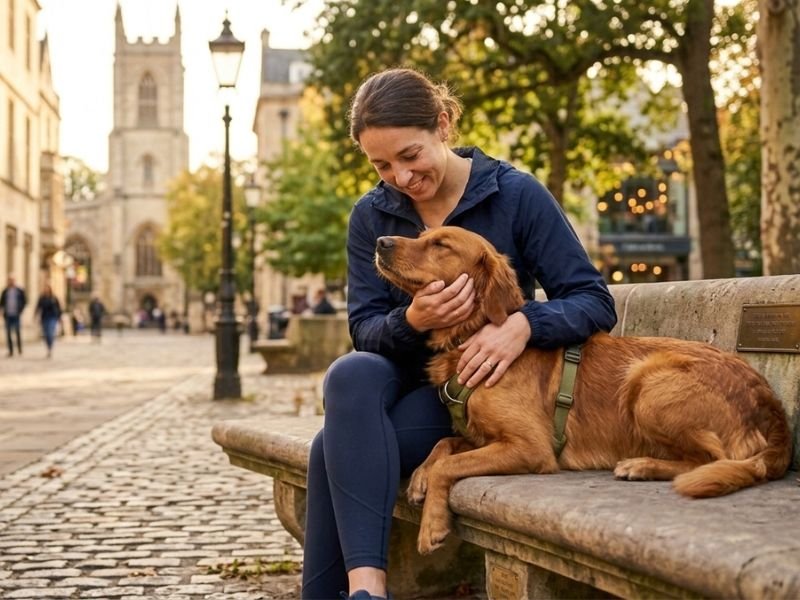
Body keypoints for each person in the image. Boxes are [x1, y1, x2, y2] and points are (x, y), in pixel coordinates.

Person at [300, 68, 618, 600]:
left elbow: (592, 300)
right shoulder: (370, 216)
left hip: (472, 396)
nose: (399, 177)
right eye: (380, 165)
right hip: (396, 385)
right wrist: (413, 320)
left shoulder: (516, 196)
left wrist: (523, 324)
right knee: (350, 373)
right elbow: (364, 329)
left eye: (409, 155)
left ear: (442, 125)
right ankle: (369, 588)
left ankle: (358, 593)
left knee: (327, 448)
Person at [1, 275, 27, 357]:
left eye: (12, 280)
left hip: (16, 315)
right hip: (8, 315)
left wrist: (20, 310)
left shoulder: (19, 291)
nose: (11, 282)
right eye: (9, 280)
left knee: (17, 332)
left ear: (14, 281)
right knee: (8, 333)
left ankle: (19, 349)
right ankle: (11, 351)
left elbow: (24, 301)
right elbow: (1, 303)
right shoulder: (5, 291)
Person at [34, 284, 62, 358]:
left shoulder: (54, 298)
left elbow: (59, 308)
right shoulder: (42, 298)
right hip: (44, 318)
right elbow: (38, 307)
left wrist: (59, 318)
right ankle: (48, 347)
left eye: (47, 288)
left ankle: (50, 348)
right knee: (46, 334)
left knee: (50, 333)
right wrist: (35, 315)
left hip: (52, 317)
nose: (46, 290)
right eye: (45, 288)